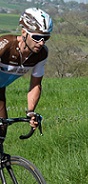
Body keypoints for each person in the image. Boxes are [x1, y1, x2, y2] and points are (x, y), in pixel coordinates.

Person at [0, 8, 52, 136]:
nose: (41, 42)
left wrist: (31, 112)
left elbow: (35, 84)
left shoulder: (41, 54)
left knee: (1, 131)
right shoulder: (5, 45)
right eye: (37, 37)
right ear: (24, 32)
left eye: (46, 38)